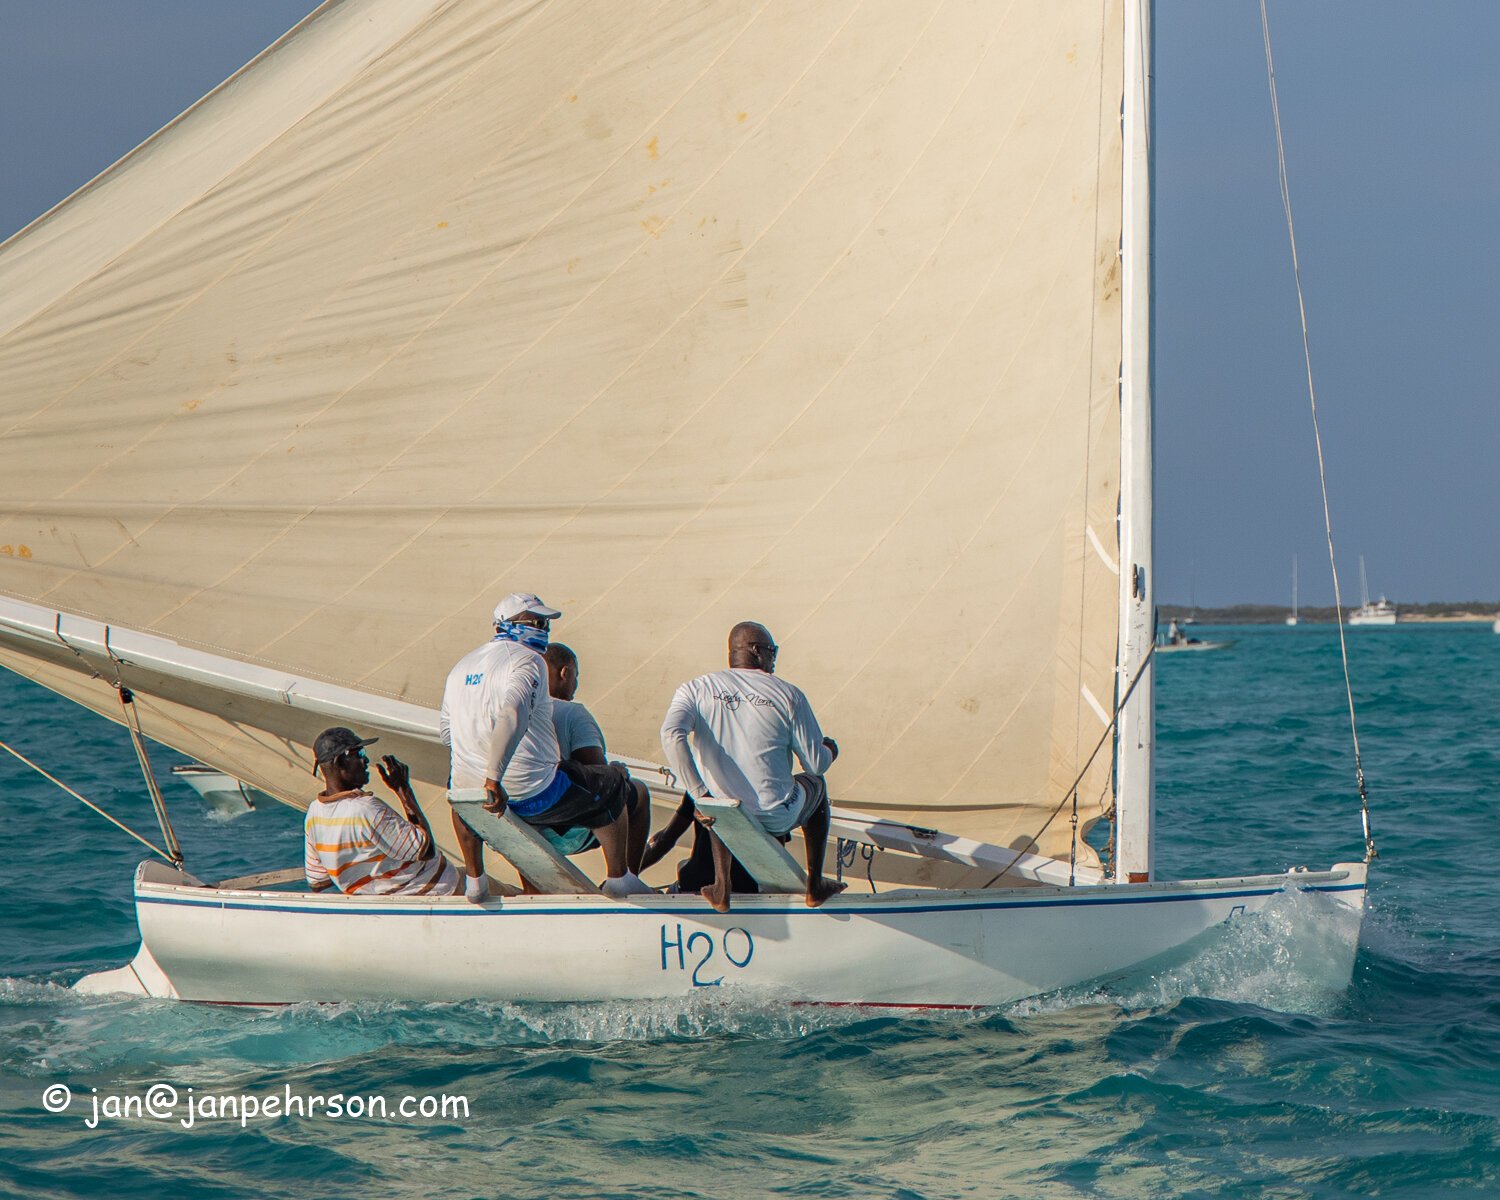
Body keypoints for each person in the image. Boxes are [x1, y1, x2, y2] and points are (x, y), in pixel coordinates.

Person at [441, 593, 652, 897]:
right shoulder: (529, 661)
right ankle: (619, 878)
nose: (543, 629)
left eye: (545, 623)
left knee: (458, 792)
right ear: (506, 625)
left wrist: (481, 769)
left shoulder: (460, 667)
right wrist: (493, 778)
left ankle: (476, 881)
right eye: (536, 622)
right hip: (528, 792)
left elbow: (448, 734)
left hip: (469, 793)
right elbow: (512, 714)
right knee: (611, 780)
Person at [660, 621, 846, 911]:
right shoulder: (788, 694)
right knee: (818, 787)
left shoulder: (695, 688)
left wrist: (700, 796)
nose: (774, 659)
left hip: (721, 814)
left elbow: (671, 735)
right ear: (757, 651)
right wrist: (830, 749)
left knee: (718, 792)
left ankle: (722, 887)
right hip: (774, 815)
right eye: (773, 651)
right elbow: (815, 764)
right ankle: (816, 884)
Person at [304, 726, 463, 897]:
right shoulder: (365, 809)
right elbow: (426, 850)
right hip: (438, 892)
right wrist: (404, 791)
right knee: (488, 886)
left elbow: (318, 882)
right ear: (340, 762)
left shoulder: (313, 814)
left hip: (382, 905)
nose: (365, 761)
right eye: (359, 754)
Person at [540, 641, 652, 864]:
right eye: (576, 676)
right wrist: (616, 771)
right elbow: (597, 773)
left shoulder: (520, 708)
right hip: (566, 823)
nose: (576, 684)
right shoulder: (573, 713)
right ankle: (623, 875)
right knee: (636, 792)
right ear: (565, 672)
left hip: (522, 814)